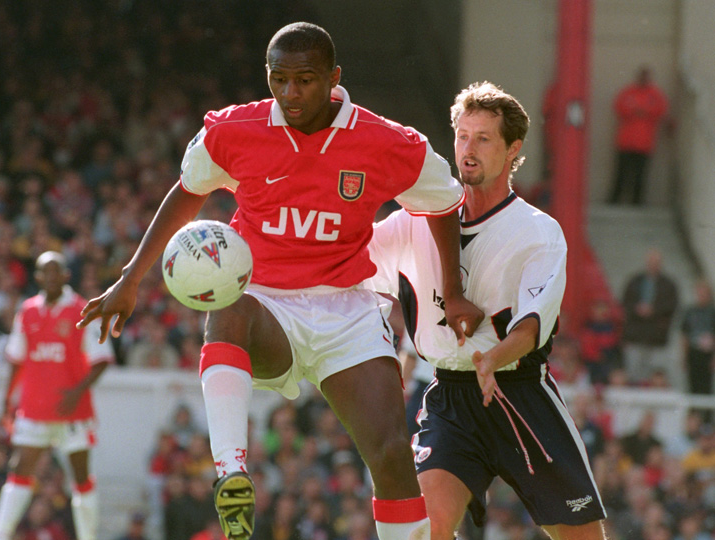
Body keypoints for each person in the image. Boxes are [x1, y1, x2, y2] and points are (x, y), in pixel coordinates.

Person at [77, 21, 482, 540]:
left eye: (306, 80)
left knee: (391, 459)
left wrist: (453, 292)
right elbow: (188, 191)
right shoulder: (232, 130)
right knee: (228, 298)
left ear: (334, 77)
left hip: (348, 310)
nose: (291, 93)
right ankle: (232, 473)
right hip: (266, 306)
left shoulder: (387, 142)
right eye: (279, 79)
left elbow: (444, 203)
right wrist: (130, 278)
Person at [366, 82, 607, 539]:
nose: (467, 149)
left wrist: (493, 359)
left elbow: (532, 327)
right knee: (425, 530)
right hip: (449, 402)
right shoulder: (412, 220)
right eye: (461, 135)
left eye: (483, 138)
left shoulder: (539, 231)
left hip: (519, 395)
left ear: (513, 149)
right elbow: (350, 269)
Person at [0, 251, 114, 540]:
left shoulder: (83, 310)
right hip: (34, 408)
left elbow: (102, 359)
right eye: (46, 271)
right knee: (20, 468)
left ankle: (88, 537)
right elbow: (17, 360)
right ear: (38, 277)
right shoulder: (27, 310)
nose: (52, 276)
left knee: (80, 477)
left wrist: (77, 392)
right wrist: (8, 399)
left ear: (67, 275)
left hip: (74, 411)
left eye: (57, 271)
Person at [608, 66, 669, 205]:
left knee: (640, 175)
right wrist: (637, 111)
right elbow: (619, 107)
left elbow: (660, 110)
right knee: (621, 173)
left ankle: (637, 202)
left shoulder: (655, 95)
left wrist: (643, 111)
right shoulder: (629, 92)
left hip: (644, 143)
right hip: (625, 141)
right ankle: (615, 200)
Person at [620, 248, 678, 386]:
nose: (653, 265)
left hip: (656, 337)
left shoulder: (668, 285)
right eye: (651, 262)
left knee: (655, 374)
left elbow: (672, 305)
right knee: (634, 374)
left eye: (656, 262)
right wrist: (638, 309)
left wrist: (654, 310)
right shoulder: (635, 281)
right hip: (635, 334)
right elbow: (625, 302)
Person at [679, 279, 715, 395]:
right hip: (693, 353)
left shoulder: (712, 312)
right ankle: (694, 413)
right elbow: (684, 335)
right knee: (692, 386)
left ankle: (706, 413)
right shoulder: (690, 312)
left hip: (708, 354)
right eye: (699, 293)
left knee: (707, 387)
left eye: (704, 293)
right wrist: (684, 356)